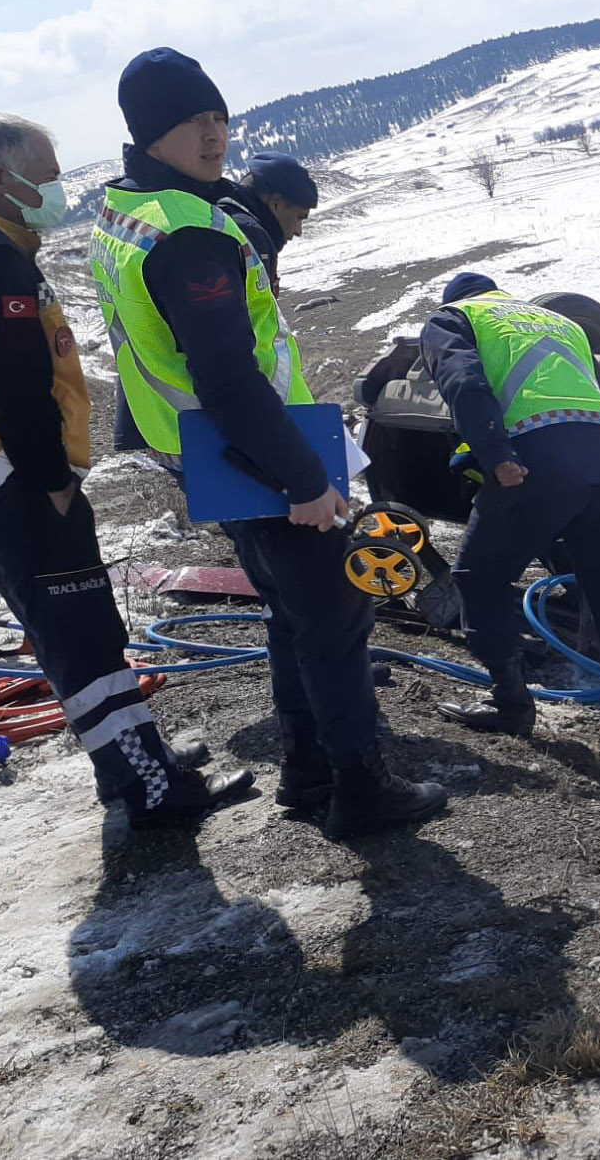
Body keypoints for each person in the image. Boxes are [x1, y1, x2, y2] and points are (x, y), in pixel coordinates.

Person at [93, 47, 444, 840]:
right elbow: (227, 377)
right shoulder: (188, 234)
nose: (214, 134)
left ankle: (307, 771)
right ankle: (361, 790)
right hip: (254, 453)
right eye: (193, 120)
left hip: (210, 453)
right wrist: (303, 479)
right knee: (336, 616)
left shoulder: (128, 209)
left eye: (219, 117)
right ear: (151, 131)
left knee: (292, 611)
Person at [0, 112, 251, 827]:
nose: (58, 190)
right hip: (13, 482)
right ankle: (149, 787)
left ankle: (129, 761)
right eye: (47, 177)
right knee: (84, 636)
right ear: (0, 178)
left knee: (56, 629)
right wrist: (53, 482)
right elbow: (21, 391)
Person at [417, 272, 600, 745]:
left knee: (479, 578)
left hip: (537, 457)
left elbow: (463, 381)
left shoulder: (454, 318)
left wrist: (495, 455)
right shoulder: (561, 323)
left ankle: (510, 704)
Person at [220, 152, 316, 294]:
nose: (298, 231)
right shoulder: (249, 238)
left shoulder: (225, 221)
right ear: (276, 203)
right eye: (299, 217)